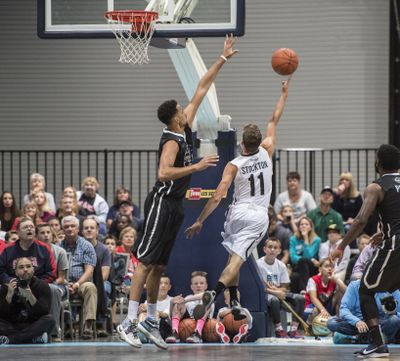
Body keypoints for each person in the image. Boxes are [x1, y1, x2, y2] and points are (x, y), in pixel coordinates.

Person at [117, 35, 237, 351]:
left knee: (159, 266)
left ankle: (151, 321)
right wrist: (196, 168)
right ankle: (128, 321)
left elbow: (201, 88)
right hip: (161, 202)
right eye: (181, 109)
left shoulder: (182, 128)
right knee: (144, 263)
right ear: (175, 116)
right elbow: (163, 172)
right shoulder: (172, 137)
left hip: (174, 207)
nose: (186, 108)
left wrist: (222, 59)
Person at [185, 77, 291, 324]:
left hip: (235, 214)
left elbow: (218, 195)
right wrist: (284, 94)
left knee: (233, 258)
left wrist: (200, 220)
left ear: (242, 143)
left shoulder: (233, 165)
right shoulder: (267, 149)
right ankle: (217, 292)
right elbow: (274, 120)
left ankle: (233, 301)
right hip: (256, 216)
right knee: (237, 261)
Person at [330, 143, 400, 358]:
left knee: (365, 290)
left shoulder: (376, 187)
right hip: (392, 238)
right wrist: (386, 231)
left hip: (395, 245)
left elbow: (361, 220)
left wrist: (341, 246)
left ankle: (378, 345)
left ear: (377, 162)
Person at [256, 237, 305, 338]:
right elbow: (260, 288)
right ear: (264, 249)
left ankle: (293, 330)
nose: (272, 250)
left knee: (300, 298)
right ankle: (279, 329)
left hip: (277, 292)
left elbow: (284, 287)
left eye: (275, 248)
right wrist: (275, 292)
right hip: (266, 295)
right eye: (270, 247)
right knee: (275, 300)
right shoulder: (258, 265)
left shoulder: (281, 265)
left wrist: (277, 290)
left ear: (279, 251)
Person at [0, 257, 55, 344]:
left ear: (33, 270)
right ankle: (32, 338)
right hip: (12, 325)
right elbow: (2, 314)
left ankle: (10, 340)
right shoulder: (7, 286)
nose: (25, 270)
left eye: (28, 266)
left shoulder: (42, 285)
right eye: (21, 267)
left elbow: (44, 312)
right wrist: (9, 296)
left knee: (50, 320)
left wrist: (30, 296)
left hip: (33, 325)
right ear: (16, 272)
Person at [327, 279, 400, 345]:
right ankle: (375, 338)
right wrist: (356, 321)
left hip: (380, 323)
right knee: (332, 323)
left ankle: (358, 338)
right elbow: (343, 309)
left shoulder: (391, 288)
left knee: (394, 320)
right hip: (358, 324)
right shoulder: (354, 286)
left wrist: (394, 312)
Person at [60, 215, 98, 339]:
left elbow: (89, 271)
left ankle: (88, 325)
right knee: (54, 289)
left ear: (78, 229)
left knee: (91, 287)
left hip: (81, 282)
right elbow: (56, 270)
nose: (70, 229)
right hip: (63, 281)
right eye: (66, 227)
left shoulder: (86, 245)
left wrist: (76, 284)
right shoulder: (58, 247)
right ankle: (65, 326)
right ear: (62, 229)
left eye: (73, 226)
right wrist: (66, 283)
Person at [36, 223, 69, 342]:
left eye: (48, 232)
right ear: (37, 235)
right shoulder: (33, 250)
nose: (46, 235)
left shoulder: (60, 251)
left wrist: (44, 285)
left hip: (57, 283)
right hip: (38, 283)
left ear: (52, 235)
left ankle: (54, 332)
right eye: (42, 233)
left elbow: (61, 277)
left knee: (52, 290)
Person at [166, 271, 215, 344]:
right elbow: (170, 318)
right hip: (187, 328)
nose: (198, 285)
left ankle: (198, 334)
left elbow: (205, 295)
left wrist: (185, 300)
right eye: (196, 283)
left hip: (205, 329)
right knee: (179, 304)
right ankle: (175, 333)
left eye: (201, 283)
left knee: (207, 304)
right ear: (191, 286)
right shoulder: (189, 297)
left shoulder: (209, 296)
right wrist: (172, 304)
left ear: (206, 286)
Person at [82, 217, 111, 337]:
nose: (89, 230)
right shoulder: (79, 247)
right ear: (82, 231)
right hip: (83, 281)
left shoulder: (103, 249)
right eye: (86, 228)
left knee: (104, 287)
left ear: (97, 231)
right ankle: (70, 324)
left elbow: (105, 274)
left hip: (100, 280)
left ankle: (100, 323)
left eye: (92, 228)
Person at [303, 258, 346, 322]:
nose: (329, 269)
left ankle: (338, 320)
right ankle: (310, 328)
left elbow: (347, 292)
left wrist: (336, 279)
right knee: (316, 310)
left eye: (331, 266)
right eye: (326, 266)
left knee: (340, 293)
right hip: (311, 307)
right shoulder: (312, 280)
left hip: (326, 307)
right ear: (320, 269)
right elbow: (313, 298)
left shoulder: (333, 280)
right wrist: (323, 311)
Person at [289, 216, 321, 294]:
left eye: (306, 224)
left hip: (312, 268)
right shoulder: (293, 239)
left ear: (310, 227)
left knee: (304, 260)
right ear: (298, 227)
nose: (303, 226)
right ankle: (296, 300)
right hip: (298, 266)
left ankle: (304, 289)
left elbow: (309, 256)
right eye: (301, 224)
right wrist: (303, 259)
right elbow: (293, 257)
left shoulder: (316, 240)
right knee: (294, 277)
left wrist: (306, 238)